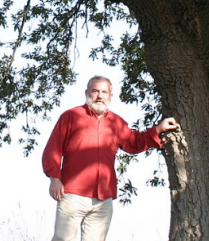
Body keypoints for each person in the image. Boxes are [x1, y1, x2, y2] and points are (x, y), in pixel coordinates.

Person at [42, 75, 179, 241]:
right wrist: (54, 178)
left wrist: (158, 129)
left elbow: (134, 142)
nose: (100, 96)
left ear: (110, 96)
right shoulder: (71, 116)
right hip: (73, 193)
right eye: (95, 91)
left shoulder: (116, 122)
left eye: (104, 92)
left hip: (103, 199)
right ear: (87, 93)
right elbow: (53, 149)